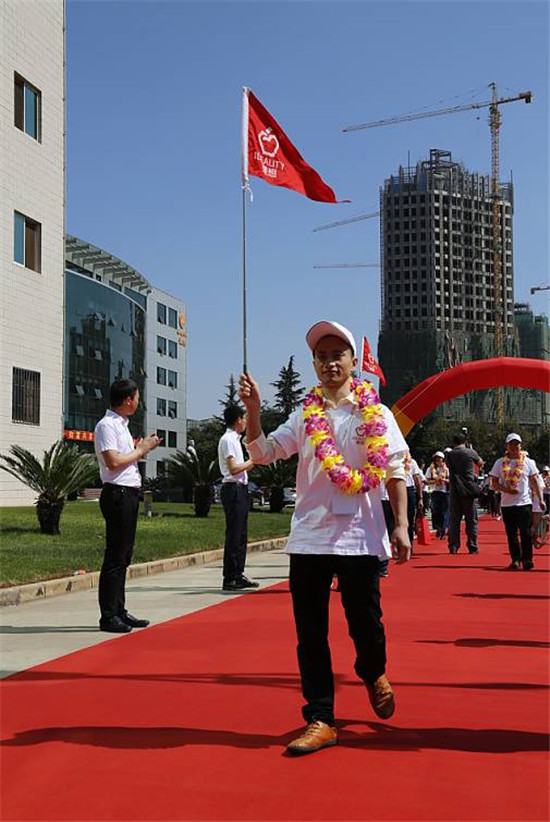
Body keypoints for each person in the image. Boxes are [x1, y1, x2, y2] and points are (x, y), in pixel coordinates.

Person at [239, 320, 411, 756]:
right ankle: (320, 718)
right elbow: (262, 453)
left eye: (338, 354)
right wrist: (255, 409)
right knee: (310, 634)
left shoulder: (378, 413)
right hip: (311, 537)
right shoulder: (303, 415)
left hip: (359, 536)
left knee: (366, 624)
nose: (330, 362)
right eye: (322, 356)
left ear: (353, 362)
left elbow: (394, 471)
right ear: (315, 364)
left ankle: (373, 671)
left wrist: (402, 524)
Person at [94, 379, 161, 633]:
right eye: (136, 397)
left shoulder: (122, 425)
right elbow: (113, 462)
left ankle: (119, 610)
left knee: (124, 556)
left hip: (129, 493)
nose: (138, 402)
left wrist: (142, 448)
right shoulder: (106, 425)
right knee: (115, 555)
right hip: (117, 494)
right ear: (127, 399)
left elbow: (125, 458)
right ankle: (108, 615)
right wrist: (141, 449)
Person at [489, 433, 545, 570]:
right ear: (506, 446)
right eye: (511, 444)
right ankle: (515, 559)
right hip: (507, 504)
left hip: (524, 503)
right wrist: (507, 490)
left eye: (517, 444)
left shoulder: (528, 462)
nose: (514, 447)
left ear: (521, 446)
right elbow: (494, 483)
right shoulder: (499, 463)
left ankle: (527, 559)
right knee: (511, 534)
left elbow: (534, 481)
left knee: (525, 533)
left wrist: (541, 499)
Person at [217, 405, 258, 591]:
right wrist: (253, 461)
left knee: (241, 533)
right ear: (238, 420)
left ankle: (238, 573)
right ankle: (230, 576)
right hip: (232, 487)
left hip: (240, 488)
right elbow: (233, 468)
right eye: (244, 419)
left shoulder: (236, 440)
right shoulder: (228, 440)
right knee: (234, 533)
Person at [446, 433, 482, 555]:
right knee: (471, 519)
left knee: (454, 520)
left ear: (453, 442)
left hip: (454, 489)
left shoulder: (449, 455)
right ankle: (472, 545)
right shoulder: (470, 452)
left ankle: (453, 546)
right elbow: (480, 463)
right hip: (468, 490)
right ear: (465, 442)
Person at [425, 451, 450, 539]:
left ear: (443, 459)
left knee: (445, 512)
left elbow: (451, 481)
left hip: (445, 492)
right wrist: (435, 481)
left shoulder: (447, 469)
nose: (438, 460)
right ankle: (438, 528)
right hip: (435, 492)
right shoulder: (430, 469)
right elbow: (427, 481)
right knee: (435, 512)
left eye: (440, 458)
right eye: (436, 458)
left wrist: (444, 480)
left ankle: (443, 528)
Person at [404, 452, 424, 551]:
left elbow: (417, 479)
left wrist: (420, 498)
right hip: (394, 491)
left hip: (409, 490)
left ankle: (409, 544)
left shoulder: (412, 462)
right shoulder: (392, 460)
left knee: (409, 519)